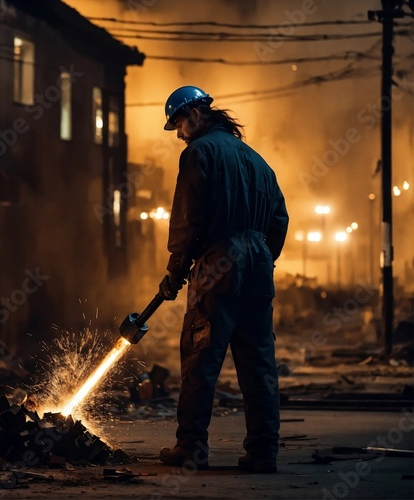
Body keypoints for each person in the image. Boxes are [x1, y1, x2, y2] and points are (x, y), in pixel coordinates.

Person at [157, 85, 289, 473]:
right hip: (259, 264)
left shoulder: (199, 152)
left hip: (219, 264)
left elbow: (188, 218)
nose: (179, 133)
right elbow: (280, 220)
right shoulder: (258, 161)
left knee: (201, 357)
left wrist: (176, 270)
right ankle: (264, 451)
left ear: (195, 115)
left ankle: (191, 447)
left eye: (178, 123)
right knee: (260, 363)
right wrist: (261, 258)